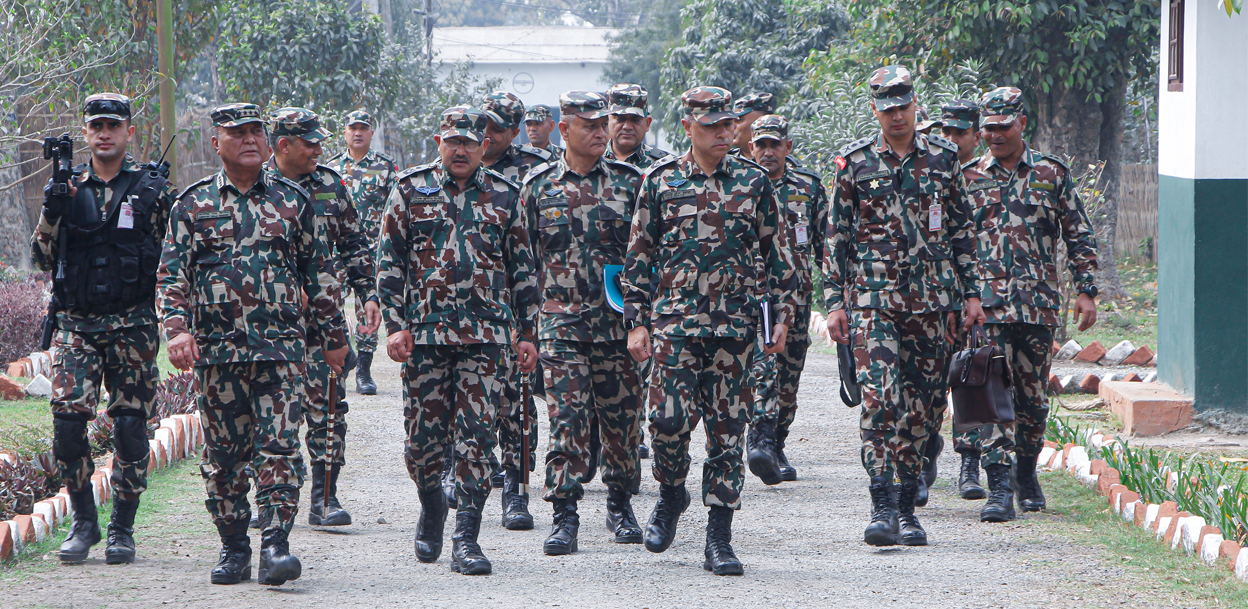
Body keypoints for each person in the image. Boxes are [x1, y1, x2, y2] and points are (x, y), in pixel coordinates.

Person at [159, 103, 350, 585]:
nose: (247, 140)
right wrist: (178, 329)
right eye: (236, 133)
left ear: (268, 144)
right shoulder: (192, 204)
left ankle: (276, 546)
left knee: (279, 449)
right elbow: (171, 274)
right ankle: (234, 546)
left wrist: (333, 337)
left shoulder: (291, 202)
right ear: (215, 143)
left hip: (282, 351)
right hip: (218, 355)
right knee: (225, 458)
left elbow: (319, 272)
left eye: (255, 133)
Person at [622, 86, 795, 576]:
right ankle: (671, 493)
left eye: (729, 124)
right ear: (687, 129)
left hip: (736, 329)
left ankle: (719, 536)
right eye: (713, 126)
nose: (724, 133)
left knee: (727, 432)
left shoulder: (754, 183)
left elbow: (777, 257)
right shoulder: (661, 181)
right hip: (675, 326)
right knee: (668, 423)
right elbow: (638, 259)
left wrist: (779, 316)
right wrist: (636, 323)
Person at [823, 66, 985, 547]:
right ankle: (883, 504)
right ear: (875, 110)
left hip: (934, 304)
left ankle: (910, 502)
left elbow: (961, 230)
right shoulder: (854, 165)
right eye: (887, 109)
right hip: (874, 305)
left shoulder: (943, 159)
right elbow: (837, 240)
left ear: (916, 106)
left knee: (925, 405)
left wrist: (972, 293)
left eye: (903, 107)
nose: (897, 116)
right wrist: (834, 303)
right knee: (879, 399)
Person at [374, 106, 539, 575]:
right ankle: (431, 504)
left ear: (484, 145)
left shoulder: (508, 195)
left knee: (477, 437)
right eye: (453, 141)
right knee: (422, 442)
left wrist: (527, 333)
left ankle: (467, 536)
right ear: (438, 142)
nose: (461, 149)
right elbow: (388, 263)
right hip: (425, 337)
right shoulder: (409, 190)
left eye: (470, 141)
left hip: (487, 338)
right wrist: (395, 325)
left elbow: (524, 269)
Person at [31, 93, 175, 565]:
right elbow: (41, 258)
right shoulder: (67, 188)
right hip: (77, 326)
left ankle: (122, 528)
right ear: (87, 131)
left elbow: (177, 257)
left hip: (133, 325)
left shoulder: (151, 189)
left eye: (114, 124)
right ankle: (84, 521)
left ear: (129, 131)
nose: (105, 132)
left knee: (131, 429)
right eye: (97, 125)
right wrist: (53, 212)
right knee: (68, 425)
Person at [961, 87, 1098, 522]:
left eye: (1003, 127)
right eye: (988, 129)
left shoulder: (1050, 174)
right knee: (992, 394)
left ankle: (1026, 473)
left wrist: (1086, 289)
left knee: (1033, 398)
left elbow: (1078, 231)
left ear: (1022, 123)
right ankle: (999, 487)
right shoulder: (967, 178)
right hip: (987, 308)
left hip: (1037, 305)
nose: (995, 136)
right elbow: (951, 242)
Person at [521, 91, 646, 555]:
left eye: (603, 125)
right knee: (567, 419)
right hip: (561, 325)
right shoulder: (538, 187)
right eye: (590, 125)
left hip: (618, 325)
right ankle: (564, 513)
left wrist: (641, 317)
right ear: (564, 129)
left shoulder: (632, 183)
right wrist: (524, 326)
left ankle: (620, 504)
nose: (600, 132)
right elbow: (521, 261)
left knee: (622, 420)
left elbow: (646, 255)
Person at [264, 107, 381, 527]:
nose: (318, 149)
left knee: (328, 408)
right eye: (309, 142)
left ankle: (324, 498)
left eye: (319, 141)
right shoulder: (257, 186)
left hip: (325, 319)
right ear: (283, 145)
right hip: (270, 324)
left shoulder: (331, 183)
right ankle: (272, 499)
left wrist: (368, 292)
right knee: (273, 413)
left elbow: (354, 242)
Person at [479, 90, 552, 529]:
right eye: (482, 126)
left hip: (517, 303)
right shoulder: (458, 158)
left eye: (497, 130)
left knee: (518, 400)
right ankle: (460, 471)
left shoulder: (533, 170)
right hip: (468, 305)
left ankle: (516, 489)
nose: (485, 136)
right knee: (463, 397)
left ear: (514, 131)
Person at [743, 115, 828, 485]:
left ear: (787, 148)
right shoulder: (740, 184)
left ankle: (776, 442)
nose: (767, 151)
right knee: (763, 367)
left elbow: (828, 245)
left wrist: (841, 295)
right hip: (752, 295)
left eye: (774, 144)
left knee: (789, 376)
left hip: (797, 296)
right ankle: (758, 437)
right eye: (760, 144)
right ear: (750, 148)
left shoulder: (807, 187)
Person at [938, 98, 988, 500]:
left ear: (977, 135)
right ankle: (921, 458)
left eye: (960, 132)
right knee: (930, 385)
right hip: (936, 300)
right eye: (946, 132)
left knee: (972, 383)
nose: (952, 139)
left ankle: (970, 465)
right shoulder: (933, 171)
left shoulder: (987, 175)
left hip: (982, 300)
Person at [329, 109, 399, 395]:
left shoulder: (385, 167)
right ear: (344, 132)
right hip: (335, 251)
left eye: (363, 128)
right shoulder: (331, 167)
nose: (357, 132)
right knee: (330, 305)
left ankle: (364, 371)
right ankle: (344, 357)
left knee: (367, 311)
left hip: (370, 252)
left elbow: (395, 210)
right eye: (352, 128)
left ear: (371, 133)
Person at [604, 83, 672, 170]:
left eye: (635, 119)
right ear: (607, 121)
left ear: (647, 123)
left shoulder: (665, 165)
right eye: (620, 119)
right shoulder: (592, 160)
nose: (627, 127)